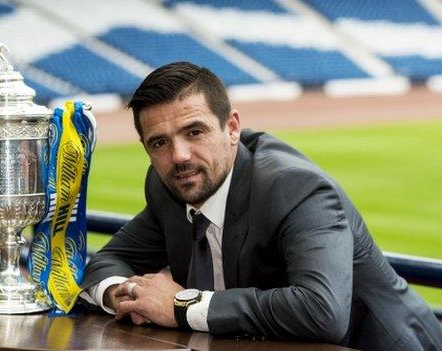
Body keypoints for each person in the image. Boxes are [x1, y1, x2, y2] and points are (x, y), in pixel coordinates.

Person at [80, 62, 442, 350]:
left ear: (232, 127)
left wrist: (181, 306)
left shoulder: (294, 188)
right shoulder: (168, 188)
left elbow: (322, 311)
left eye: (195, 132)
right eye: (159, 143)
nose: (179, 156)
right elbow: (106, 262)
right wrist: (126, 295)